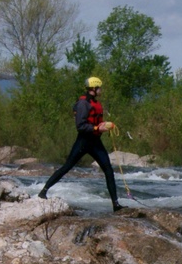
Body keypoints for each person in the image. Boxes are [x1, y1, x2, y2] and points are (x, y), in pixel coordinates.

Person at [38, 77, 122, 212]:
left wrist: (101, 125)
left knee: (108, 170)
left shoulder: (95, 103)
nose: (101, 90)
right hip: (83, 141)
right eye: (99, 87)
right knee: (67, 167)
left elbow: (93, 123)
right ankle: (43, 191)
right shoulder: (83, 104)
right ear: (94, 89)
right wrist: (96, 129)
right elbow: (80, 126)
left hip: (95, 142)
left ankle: (116, 205)